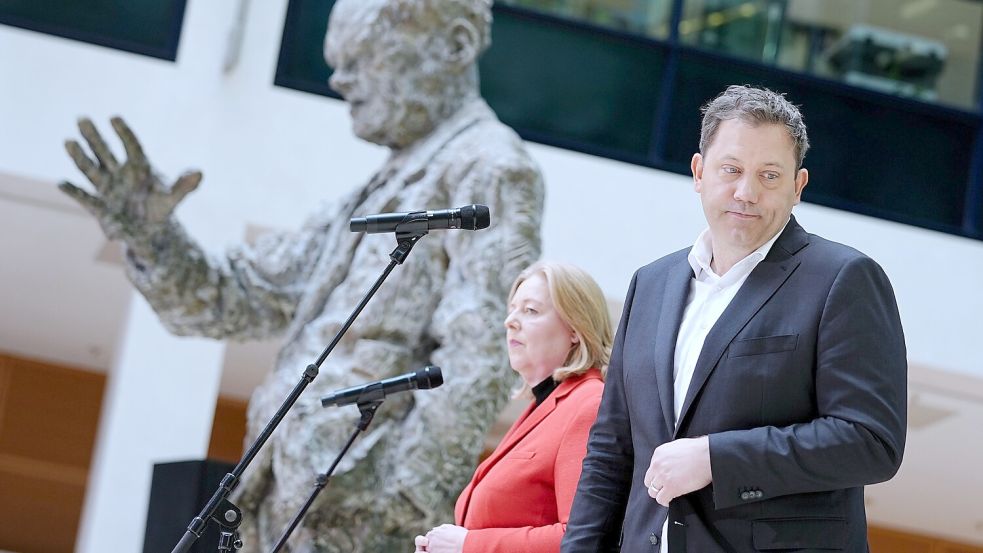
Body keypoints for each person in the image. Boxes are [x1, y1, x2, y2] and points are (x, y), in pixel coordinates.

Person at [60, 0, 545, 550]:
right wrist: (155, 239)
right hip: (288, 504)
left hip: (355, 519)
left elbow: (483, 349)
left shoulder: (490, 166)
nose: (341, 79)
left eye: (364, 58)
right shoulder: (381, 186)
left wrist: (396, 501)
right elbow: (240, 296)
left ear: (454, 45)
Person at [560, 85, 907, 552]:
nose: (747, 192)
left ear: (798, 186)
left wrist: (714, 459)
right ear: (699, 171)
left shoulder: (843, 279)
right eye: (732, 170)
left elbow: (870, 441)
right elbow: (612, 449)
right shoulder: (650, 284)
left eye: (769, 175)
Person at [415, 261, 614, 553]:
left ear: (575, 328)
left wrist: (469, 545)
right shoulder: (543, 405)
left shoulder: (588, 405)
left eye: (530, 310)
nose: (510, 321)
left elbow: (582, 539)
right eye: (512, 308)